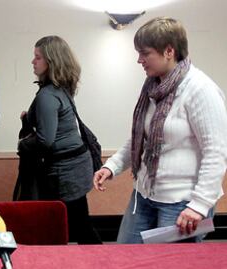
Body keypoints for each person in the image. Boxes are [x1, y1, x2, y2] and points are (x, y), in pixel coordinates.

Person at [93, 17, 227, 243]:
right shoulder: (154, 86)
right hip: (144, 195)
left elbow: (216, 152)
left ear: (169, 51)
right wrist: (112, 166)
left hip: (182, 202)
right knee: (125, 259)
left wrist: (200, 205)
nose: (139, 60)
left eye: (145, 53)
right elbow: (140, 137)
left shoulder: (200, 89)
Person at [18, 35, 101, 244]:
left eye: (37, 57)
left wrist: (23, 144)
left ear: (51, 61)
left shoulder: (47, 95)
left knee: (78, 227)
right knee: (78, 223)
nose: (33, 61)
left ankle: (102, 266)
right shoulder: (61, 89)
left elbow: (45, 140)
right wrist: (29, 120)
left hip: (65, 172)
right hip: (76, 166)